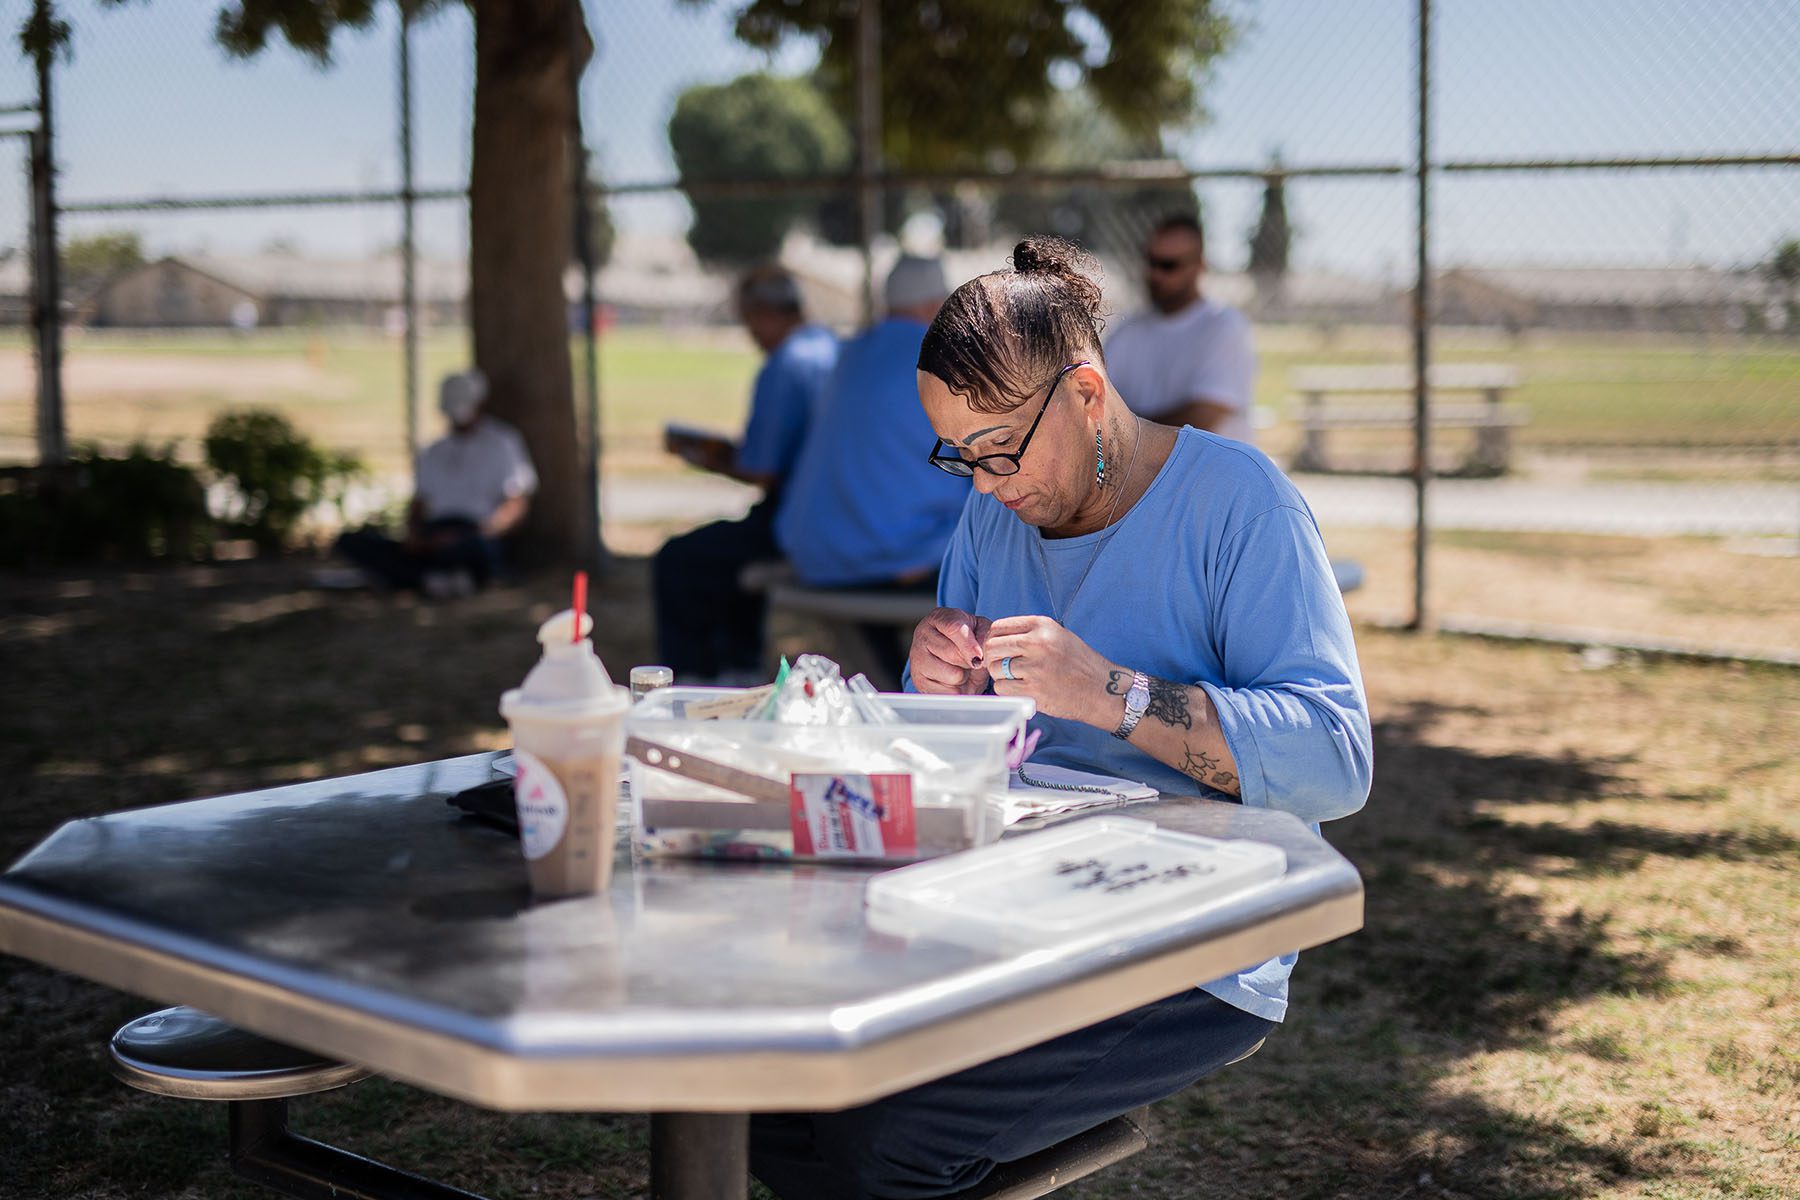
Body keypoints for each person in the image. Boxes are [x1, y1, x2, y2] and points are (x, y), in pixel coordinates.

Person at [749, 237, 1372, 1200]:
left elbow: (1336, 756)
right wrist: (940, 694)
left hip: (1191, 936)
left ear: (1086, 393)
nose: (990, 485)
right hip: (1018, 901)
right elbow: (968, 753)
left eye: (1001, 449)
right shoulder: (999, 512)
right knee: (776, 1094)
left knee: (888, 1146)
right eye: (960, 459)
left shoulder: (1240, 502)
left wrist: (1114, 694)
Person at [772, 254, 970, 681]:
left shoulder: (849, 352)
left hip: (815, 554)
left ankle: (888, 681)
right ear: (938, 304)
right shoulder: (944, 357)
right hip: (889, 560)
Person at [652, 266, 840, 684]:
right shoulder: (831, 348)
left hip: (799, 515)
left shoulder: (785, 364)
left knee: (680, 559)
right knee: (732, 552)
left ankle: (694, 681)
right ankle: (739, 662)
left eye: (748, 320)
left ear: (763, 314)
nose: (750, 333)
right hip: (845, 510)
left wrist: (701, 455)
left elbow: (762, 471)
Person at [334, 368, 536, 597]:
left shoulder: (504, 443)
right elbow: (418, 505)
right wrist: (416, 538)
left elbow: (516, 504)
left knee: (477, 551)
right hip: (433, 534)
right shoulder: (433, 451)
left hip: (476, 534)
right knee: (354, 542)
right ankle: (436, 579)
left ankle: (423, 578)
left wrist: (483, 531)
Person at [1103, 212, 1258, 441]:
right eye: (1150, 261)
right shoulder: (1127, 329)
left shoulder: (1224, 327)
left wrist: (1125, 432)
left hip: (1207, 473)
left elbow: (1203, 418)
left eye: (1168, 265)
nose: (1154, 274)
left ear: (1199, 267)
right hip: (1141, 469)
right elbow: (1097, 401)